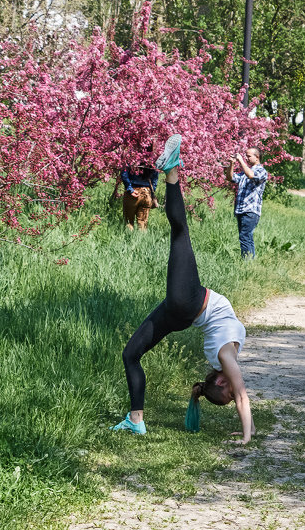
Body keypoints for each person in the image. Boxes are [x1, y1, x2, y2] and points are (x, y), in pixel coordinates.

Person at [112, 135, 255, 443]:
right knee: (130, 354)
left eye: (227, 388)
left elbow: (242, 397)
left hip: (189, 300)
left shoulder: (226, 357)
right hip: (181, 313)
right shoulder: (224, 358)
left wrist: (246, 437)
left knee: (180, 233)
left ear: (220, 380)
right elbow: (239, 396)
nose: (237, 386)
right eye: (233, 389)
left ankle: (172, 171)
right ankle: (135, 419)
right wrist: (251, 427)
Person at [228, 147, 268, 258]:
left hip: (251, 210)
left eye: (249, 156)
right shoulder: (244, 172)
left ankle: (247, 262)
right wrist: (231, 164)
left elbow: (251, 175)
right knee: (246, 237)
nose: (246, 158)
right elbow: (230, 178)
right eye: (245, 156)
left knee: (245, 236)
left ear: (257, 157)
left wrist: (240, 161)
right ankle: (249, 261)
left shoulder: (261, 171)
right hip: (240, 209)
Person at [120, 162, 159, 231]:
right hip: (146, 193)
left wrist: (130, 189)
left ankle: (128, 239)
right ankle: (142, 240)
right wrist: (150, 191)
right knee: (143, 223)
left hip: (133, 193)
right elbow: (155, 178)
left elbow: (124, 174)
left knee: (129, 222)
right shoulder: (152, 160)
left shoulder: (131, 158)